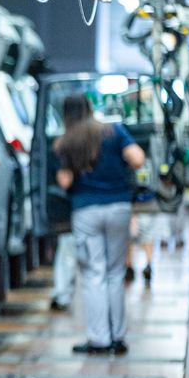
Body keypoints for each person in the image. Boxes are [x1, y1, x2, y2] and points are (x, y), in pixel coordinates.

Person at [54, 94, 146, 355]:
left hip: (86, 210)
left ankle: (99, 339)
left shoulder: (67, 142)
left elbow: (64, 182)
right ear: (90, 108)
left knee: (94, 274)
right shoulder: (114, 131)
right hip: (119, 207)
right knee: (116, 273)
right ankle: (118, 338)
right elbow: (137, 159)